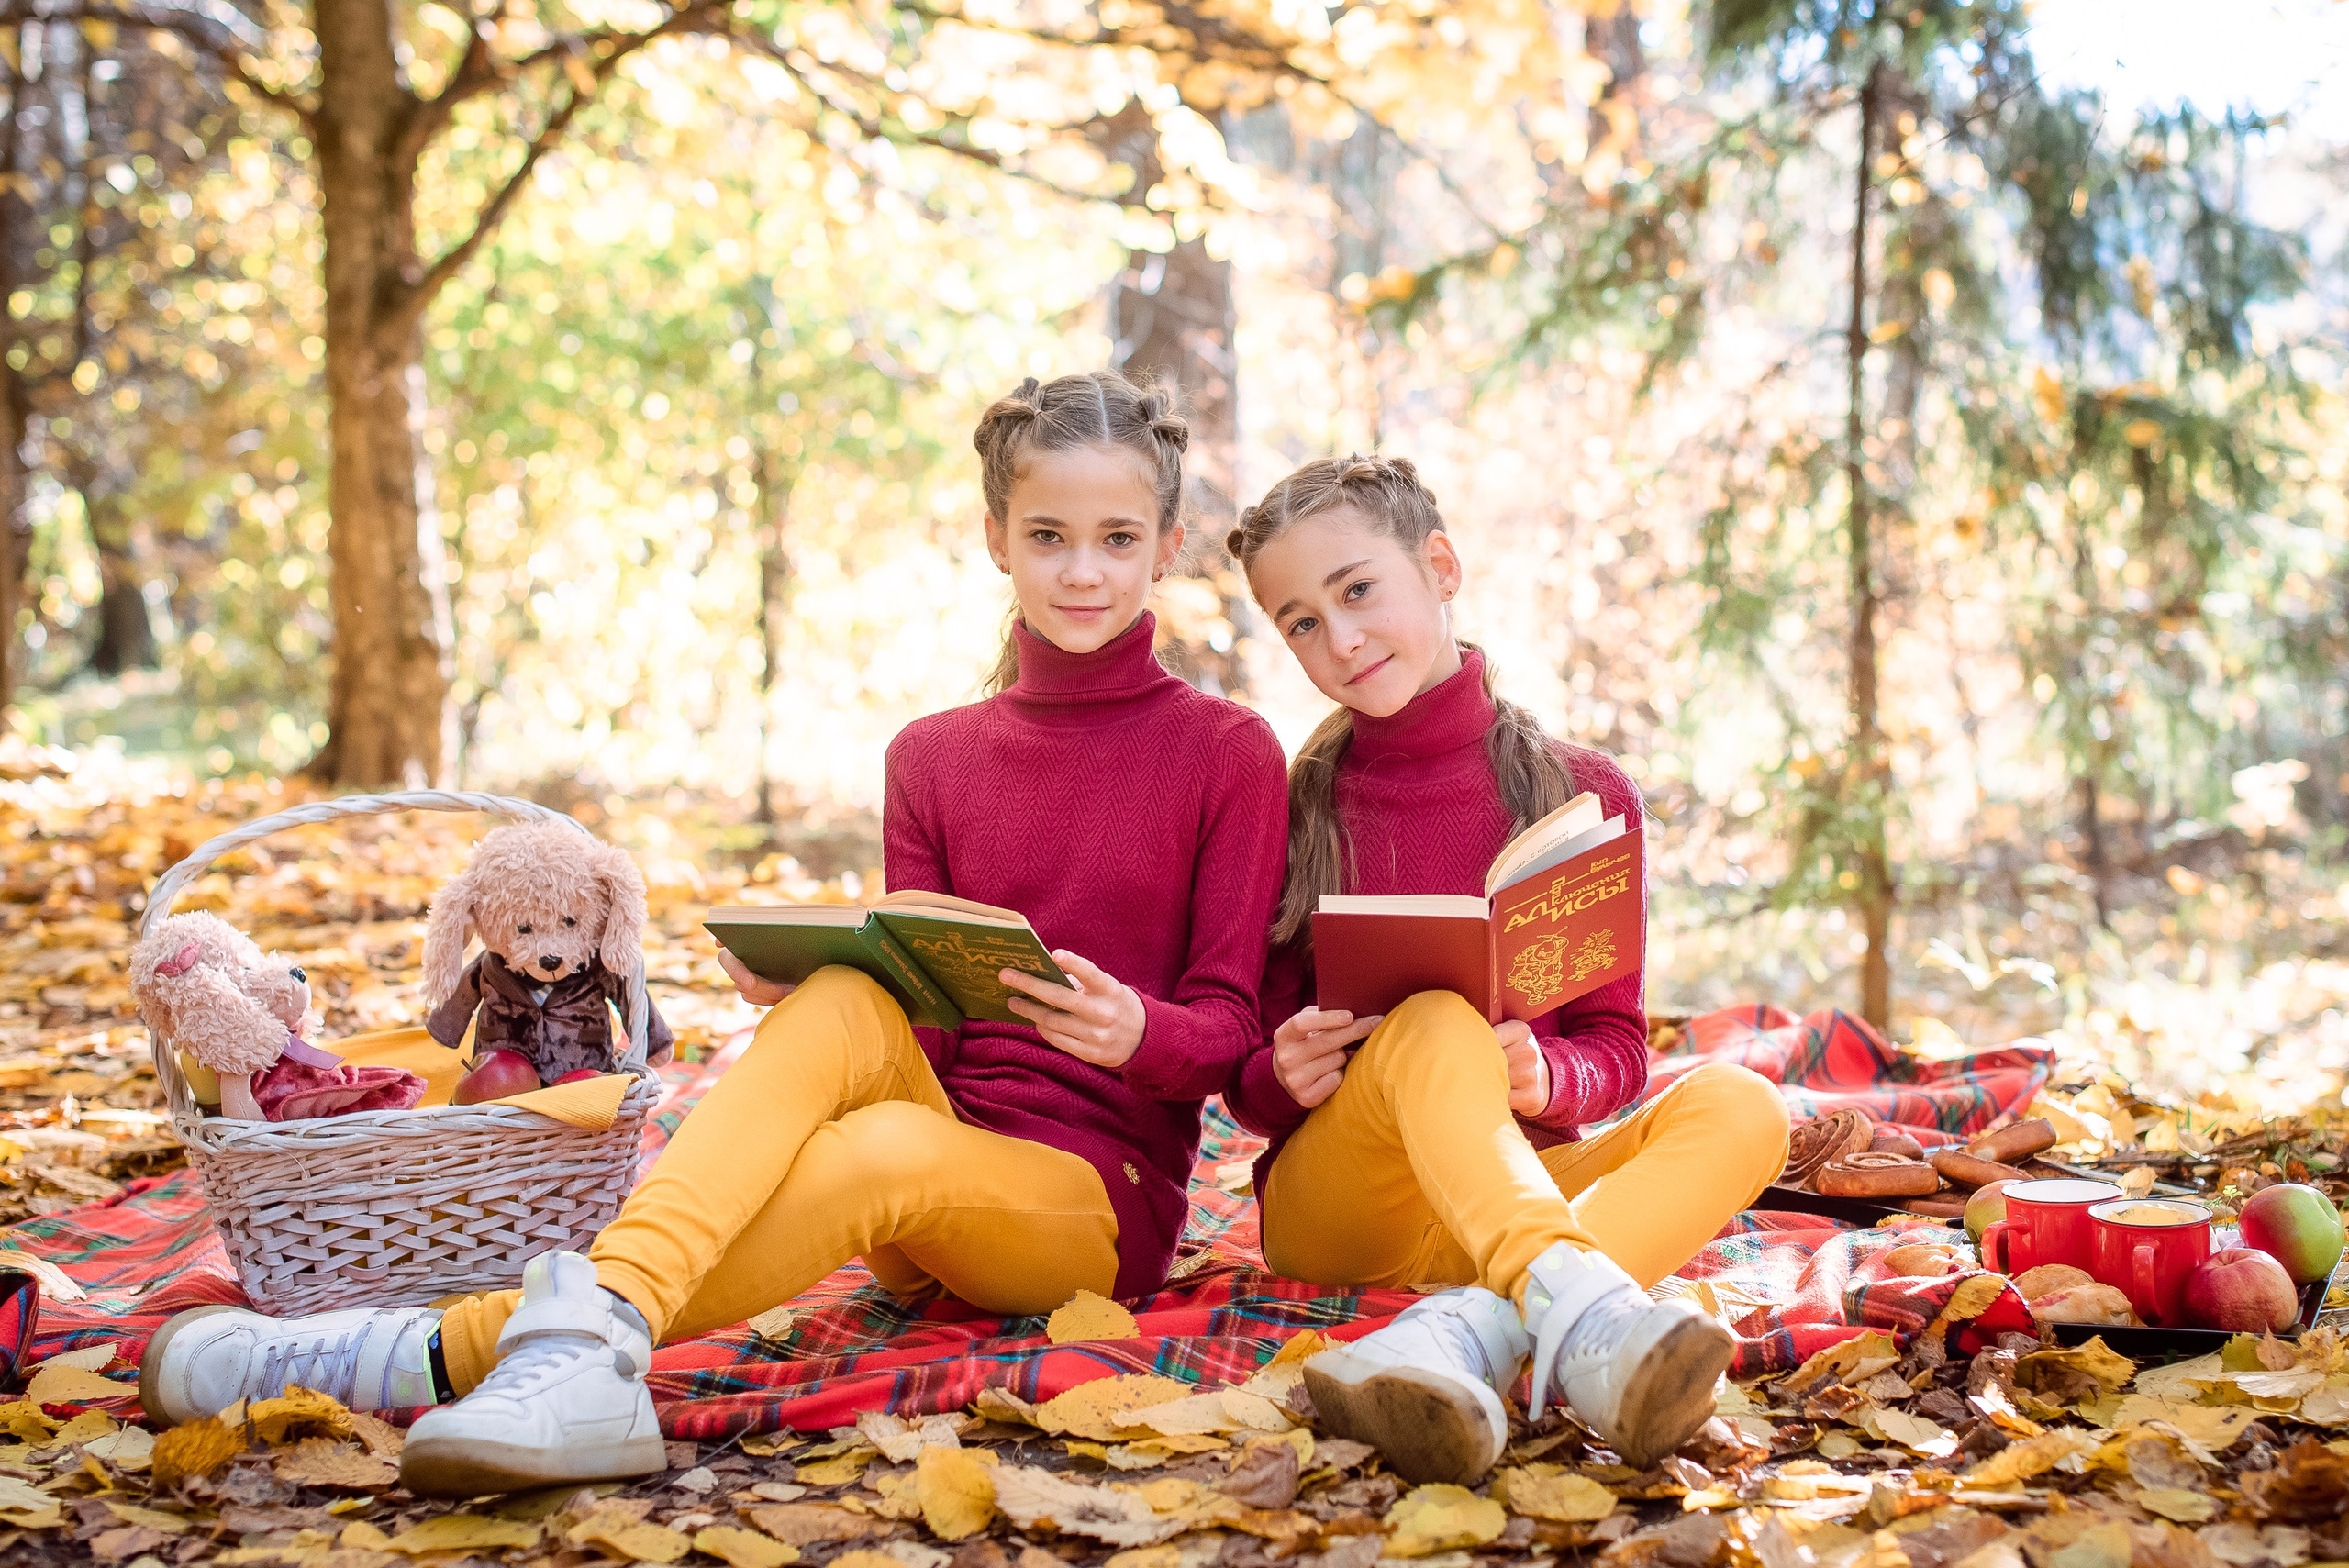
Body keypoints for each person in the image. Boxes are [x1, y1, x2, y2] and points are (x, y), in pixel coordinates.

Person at [139, 373, 1290, 1497]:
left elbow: (1232, 1038)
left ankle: (413, 1352)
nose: (1082, 570)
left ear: (1166, 545)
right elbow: (927, 1030)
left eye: (1116, 539)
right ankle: (578, 1347)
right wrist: (822, 980)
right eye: (1047, 536)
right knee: (847, 1005)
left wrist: (1137, 1031)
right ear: (997, 538)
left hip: (1093, 1207)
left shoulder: (1226, 752)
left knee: (882, 1146)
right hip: (931, 1159)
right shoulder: (931, 756)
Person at [1220, 454, 1788, 1485]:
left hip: (1512, 1187)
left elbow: (1615, 1049)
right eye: (1300, 621)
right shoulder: (1292, 804)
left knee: (1744, 1104)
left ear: (1440, 567)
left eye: (1358, 589)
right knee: (1437, 1018)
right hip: (1345, 1209)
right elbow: (1245, 1068)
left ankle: (1464, 1335)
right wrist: (1278, 1071)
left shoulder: (1582, 792)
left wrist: (1549, 1075)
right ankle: (1566, 1302)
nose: (1339, 638)